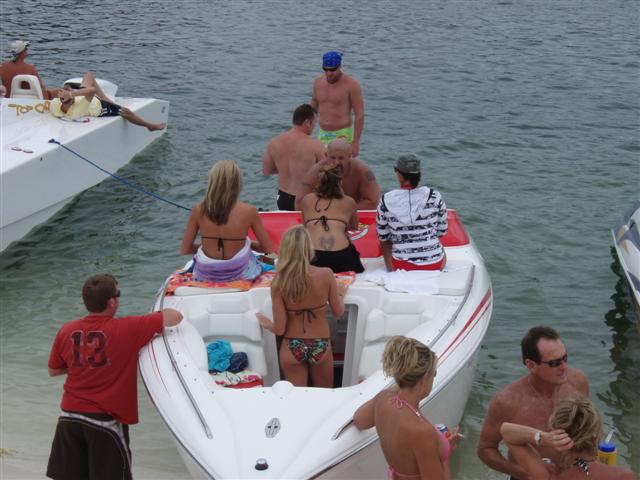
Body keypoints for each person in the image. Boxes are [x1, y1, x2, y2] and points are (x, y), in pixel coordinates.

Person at [46, 274, 183, 480]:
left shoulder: (66, 330)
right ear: (112, 302)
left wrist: (87, 363)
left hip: (69, 417)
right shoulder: (128, 328)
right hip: (103, 422)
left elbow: (54, 370)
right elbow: (175, 316)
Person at [477, 326, 590, 480]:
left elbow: (588, 431)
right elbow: (486, 449)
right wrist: (524, 473)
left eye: (565, 358)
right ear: (531, 365)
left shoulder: (578, 382)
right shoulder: (507, 401)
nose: (564, 367)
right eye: (555, 363)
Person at [256, 226, 347, 387]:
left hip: (292, 346)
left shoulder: (279, 282)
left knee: (297, 398)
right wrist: (340, 295)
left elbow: (280, 329)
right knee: (325, 396)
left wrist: (266, 323)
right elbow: (338, 312)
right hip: (320, 344)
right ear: (308, 248)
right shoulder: (326, 274)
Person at [353, 336, 456, 480]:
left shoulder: (382, 399)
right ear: (425, 378)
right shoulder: (422, 432)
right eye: (434, 374)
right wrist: (445, 454)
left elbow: (359, 420)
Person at [181, 160, 273, 282]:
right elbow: (267, 249)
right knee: (268, 261)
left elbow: (185, 249)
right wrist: (246, 243)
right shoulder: (249, 211)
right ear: (238, 183)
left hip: (207, 273)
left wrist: (208, 246)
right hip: (239, 272)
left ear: (212, 182)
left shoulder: (198, 210)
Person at [501, 397, 635, 480]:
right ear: (597, 433)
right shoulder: (621, 476)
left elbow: (506, 431)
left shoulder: (550, 475)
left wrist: (545, 438)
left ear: (556, 431)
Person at [376, 154, 448, 272]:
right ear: (419, 175)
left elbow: (383, 236)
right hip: (436, 264)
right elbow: (442, 231)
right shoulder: (435, 196)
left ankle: (391, 266)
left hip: (399, 265)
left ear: (399, 175)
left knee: (384, 241)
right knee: (432, 234)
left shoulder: (385, 200)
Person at [49, 71, 166, 131]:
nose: (74, 98)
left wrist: (70, 92)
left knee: (89, 76)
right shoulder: (76, 112)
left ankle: (108, 99)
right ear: (71, 102)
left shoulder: (55, 105)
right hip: (100, 107)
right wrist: (72, 94)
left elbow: (88, 79)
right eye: (73, 99)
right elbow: (92, 91)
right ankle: (150, 126)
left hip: (89, 97)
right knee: (126, 112)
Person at [301, 164, 364, 273]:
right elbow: (354, 227)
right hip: (341, 256)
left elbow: (305, 227)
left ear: (319, 181)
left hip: (313, 256)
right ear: (340, 182)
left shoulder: (306, 199)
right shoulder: (349, 201)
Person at [262, 103, 326, 211]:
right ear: (307, 122)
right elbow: (327, 173)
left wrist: (284, 169)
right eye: (315, 123)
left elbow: (267, 170)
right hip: (304, 199)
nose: (314, 127)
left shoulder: (274, 142)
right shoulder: (316, 145)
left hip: (282, 197)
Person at [294, 139, 380, 210]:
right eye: (333, 158)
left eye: (341, 158)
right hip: (322, 213)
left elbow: (374, 202)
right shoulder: (316, 171)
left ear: (350, 156)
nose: (336, 162)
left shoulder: (362, 171)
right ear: (326, 155)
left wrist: (341, 211)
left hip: (351, 214)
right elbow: (299, 203)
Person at [311, 51, 364, 157]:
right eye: (325, 69)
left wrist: (355, 142)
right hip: (322, 134)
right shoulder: (317, 82)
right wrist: (305, 132)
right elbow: (313, 106)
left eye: (332, 70)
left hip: (343, 134)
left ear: (339, 66)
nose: (329, 73)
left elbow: (360, 114)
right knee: (321, 166)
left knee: (340, 167)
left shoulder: (351, 84)